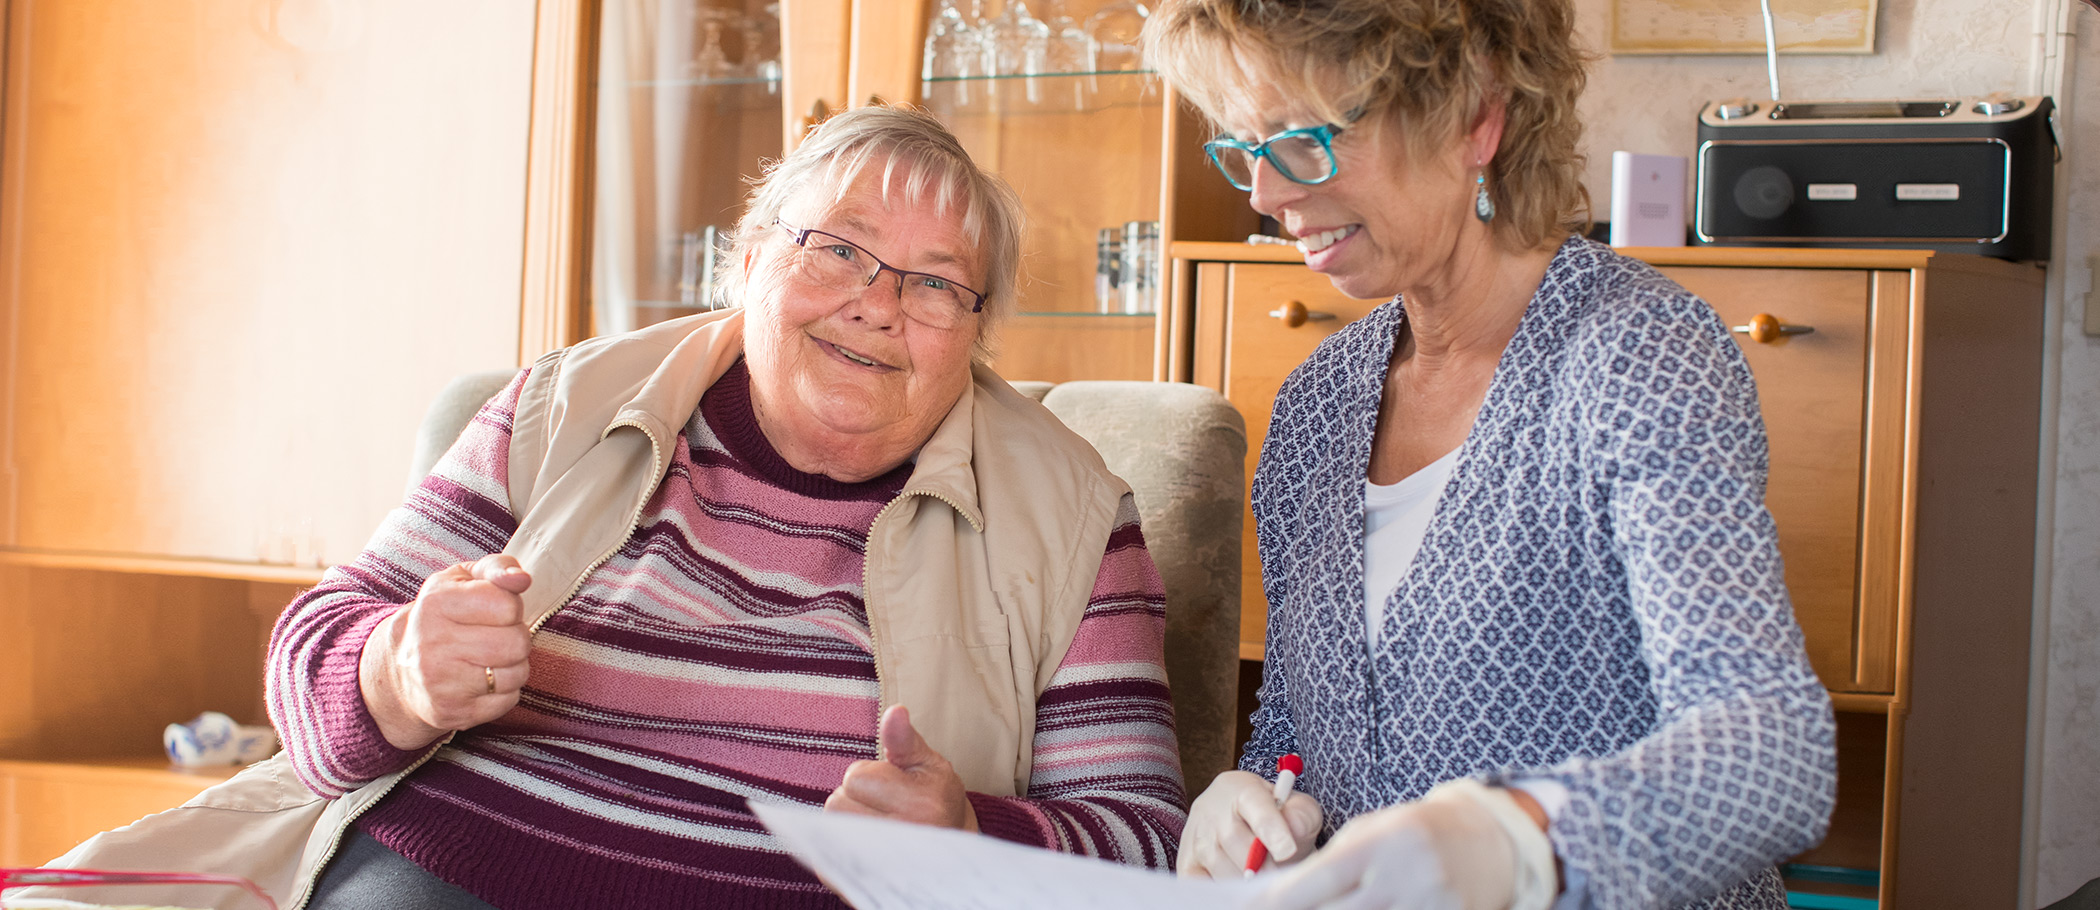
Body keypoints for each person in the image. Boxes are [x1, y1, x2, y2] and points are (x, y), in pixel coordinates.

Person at [265, 105, 1185, 909]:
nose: (878, 306)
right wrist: (395, 674)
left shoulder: (1071, 517)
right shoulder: (564, 405)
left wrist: (974, 841)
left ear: (977, 335)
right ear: (747, 263)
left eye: (937, 283)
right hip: (449, 875)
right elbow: (313, 661)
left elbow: (1149, 844)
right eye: (838, 250)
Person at [1143, 0, 1836, 907]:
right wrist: (1248, 797)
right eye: (1245, 149)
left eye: (1304, 139)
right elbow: (1304, 729)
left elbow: (1772, 755)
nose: (1265, 195)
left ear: (1476, 116)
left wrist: (1521, 842)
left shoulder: (1636, 355)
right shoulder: (1320, 399)